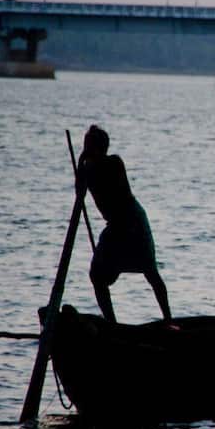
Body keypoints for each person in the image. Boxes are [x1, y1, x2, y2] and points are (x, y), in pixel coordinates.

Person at [75, 125, 171, 323]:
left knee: (150, 270)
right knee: (97, 275)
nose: (87, 150)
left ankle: (169, 320)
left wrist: (87, 167)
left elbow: (113, 187)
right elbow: (80, 194)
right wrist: (80, 163)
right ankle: (111, 322)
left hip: (132, 221)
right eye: (86, 146)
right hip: (115, 226)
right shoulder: (88, 169)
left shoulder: (114, 163)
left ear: (100, 148)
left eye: (90, 146)